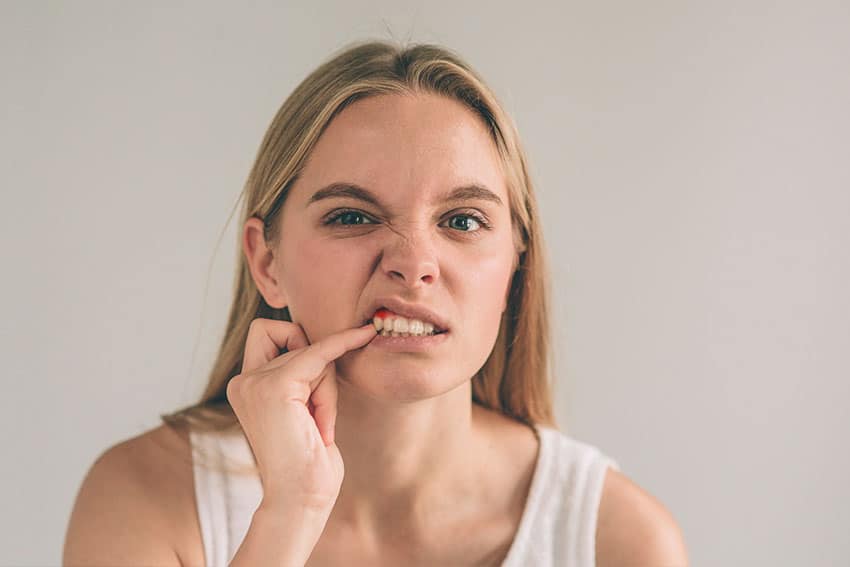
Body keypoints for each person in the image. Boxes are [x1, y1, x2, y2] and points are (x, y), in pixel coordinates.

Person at [63, 40, 688, 566]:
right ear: (266, 262)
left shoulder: (620, 541)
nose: (413, 263)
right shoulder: (144, 499)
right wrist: (289, 513)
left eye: (464, 221)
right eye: (353, 215)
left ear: (515, 266)